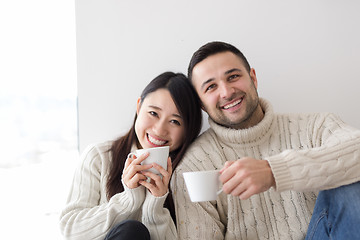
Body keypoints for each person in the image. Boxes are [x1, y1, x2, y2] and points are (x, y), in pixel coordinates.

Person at [170, 41, 360, 239]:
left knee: (350, 182)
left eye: (233, 76)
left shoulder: (315, 127)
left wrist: (274, 171)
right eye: (211, 87)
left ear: (253, 78)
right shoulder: (193, 166)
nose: (226, 92)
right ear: (201, 103)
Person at [59, 72, 202, 240]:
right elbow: (70, 229)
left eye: (175, 121)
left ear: (188, 131)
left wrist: (155, 205)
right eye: (153, 113)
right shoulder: (100, 157)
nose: (159, 129)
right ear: (139, 107)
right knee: (131, 230)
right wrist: (127, 200)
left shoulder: (189, 173)